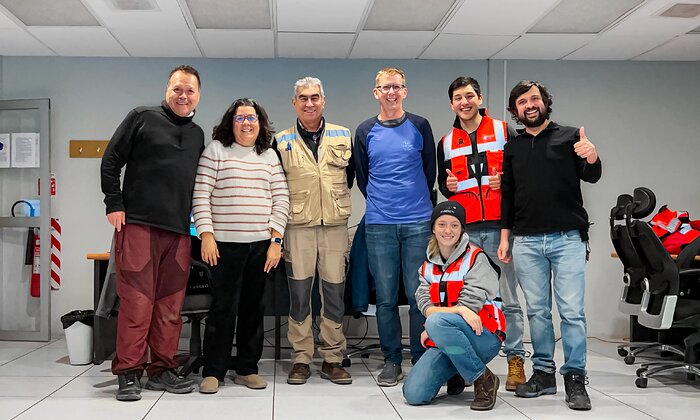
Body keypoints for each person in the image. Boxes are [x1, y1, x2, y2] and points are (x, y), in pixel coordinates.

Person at [100, 65, 204, 401]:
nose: (182, 95)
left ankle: (161, 369)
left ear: (198, 95)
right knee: (137, 304)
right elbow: (111, 159)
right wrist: (113, 203)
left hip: (177, 232)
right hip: (139, 226)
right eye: (177, 88)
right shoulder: (141, 117)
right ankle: (129, 372)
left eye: (189, 90)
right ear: (167, 89)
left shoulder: (197, 134)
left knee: (170, 307)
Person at [497, 80, 602, 411]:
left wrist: (593, 156)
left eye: (534, 99)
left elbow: (592, 175)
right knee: (537, 312)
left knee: (572, 312)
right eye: (522, 101)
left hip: (567, 238)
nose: (529, 105)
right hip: (526, 241)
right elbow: (509, 195)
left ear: (545, 103)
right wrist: (505, 237)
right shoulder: (512, 147)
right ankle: (543, 374)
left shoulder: (570, 136)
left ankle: (575, 378)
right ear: (515, 111)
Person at [193, 98, 289, 394]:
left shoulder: (269, 156)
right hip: (224, 247)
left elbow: (281, 199)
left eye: (252, 118)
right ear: (230, 122)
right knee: (223, 309)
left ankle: (247, 368)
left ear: (260, 123)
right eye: (240, 118)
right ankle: (214, 371)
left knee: (252, 309)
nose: (247, 123)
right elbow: (201, 195)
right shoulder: (215, 151)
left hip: (260, 247)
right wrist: (206, 235)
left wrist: (276, 241)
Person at [437, 76, 526, 393]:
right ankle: (471, 367)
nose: (465, 102)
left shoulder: (504, 131)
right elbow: (443, 188)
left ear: (479, 98)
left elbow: (522, 177)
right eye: (458, 97)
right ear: (452, 104)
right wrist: (446, 188)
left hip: (503, 230)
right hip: (467, 236)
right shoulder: (446, 143)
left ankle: (516, 361)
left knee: (509, 299)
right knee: (470, 301)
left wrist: (507, 183)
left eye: (470, 95)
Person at [354, 67, 436, 387]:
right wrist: (383, 204)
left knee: (418, 297)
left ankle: (419, 357)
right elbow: (363, 177)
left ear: (405, 91)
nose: (391, 92)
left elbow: (429, 172)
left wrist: (414, 204)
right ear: (376, 92)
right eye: (385, 87)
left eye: (396, 87)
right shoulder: (364, 131)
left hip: (417, 222)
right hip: (379, 225)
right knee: (386, 298)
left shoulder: (420, 126)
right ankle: (391, 359)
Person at [272, 77, 354, 385]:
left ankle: (332, 358)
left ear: (323, 100)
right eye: (303, 98)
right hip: (297, 228)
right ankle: (302, 358)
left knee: (333, 295)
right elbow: (274, 187)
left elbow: (354, 176)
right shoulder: (280, 141)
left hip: (334, 227)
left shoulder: (342, 135)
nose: (309, 103)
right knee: (299, 295)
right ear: (294, 103)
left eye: (315, 97)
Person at [403, 201, 504, 411]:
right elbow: (425, 306)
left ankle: (483, 379)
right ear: (433, 228)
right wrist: (443, 319)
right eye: (441, 224)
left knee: (437, 321)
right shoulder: (426, 267)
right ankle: (459, 369)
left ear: (462, 229)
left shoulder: (476, 259)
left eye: (454, 225)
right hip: (448, 337)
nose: (447, 230)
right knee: (413, 393)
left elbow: (470, 306)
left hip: (483, 335)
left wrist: (435, 323)